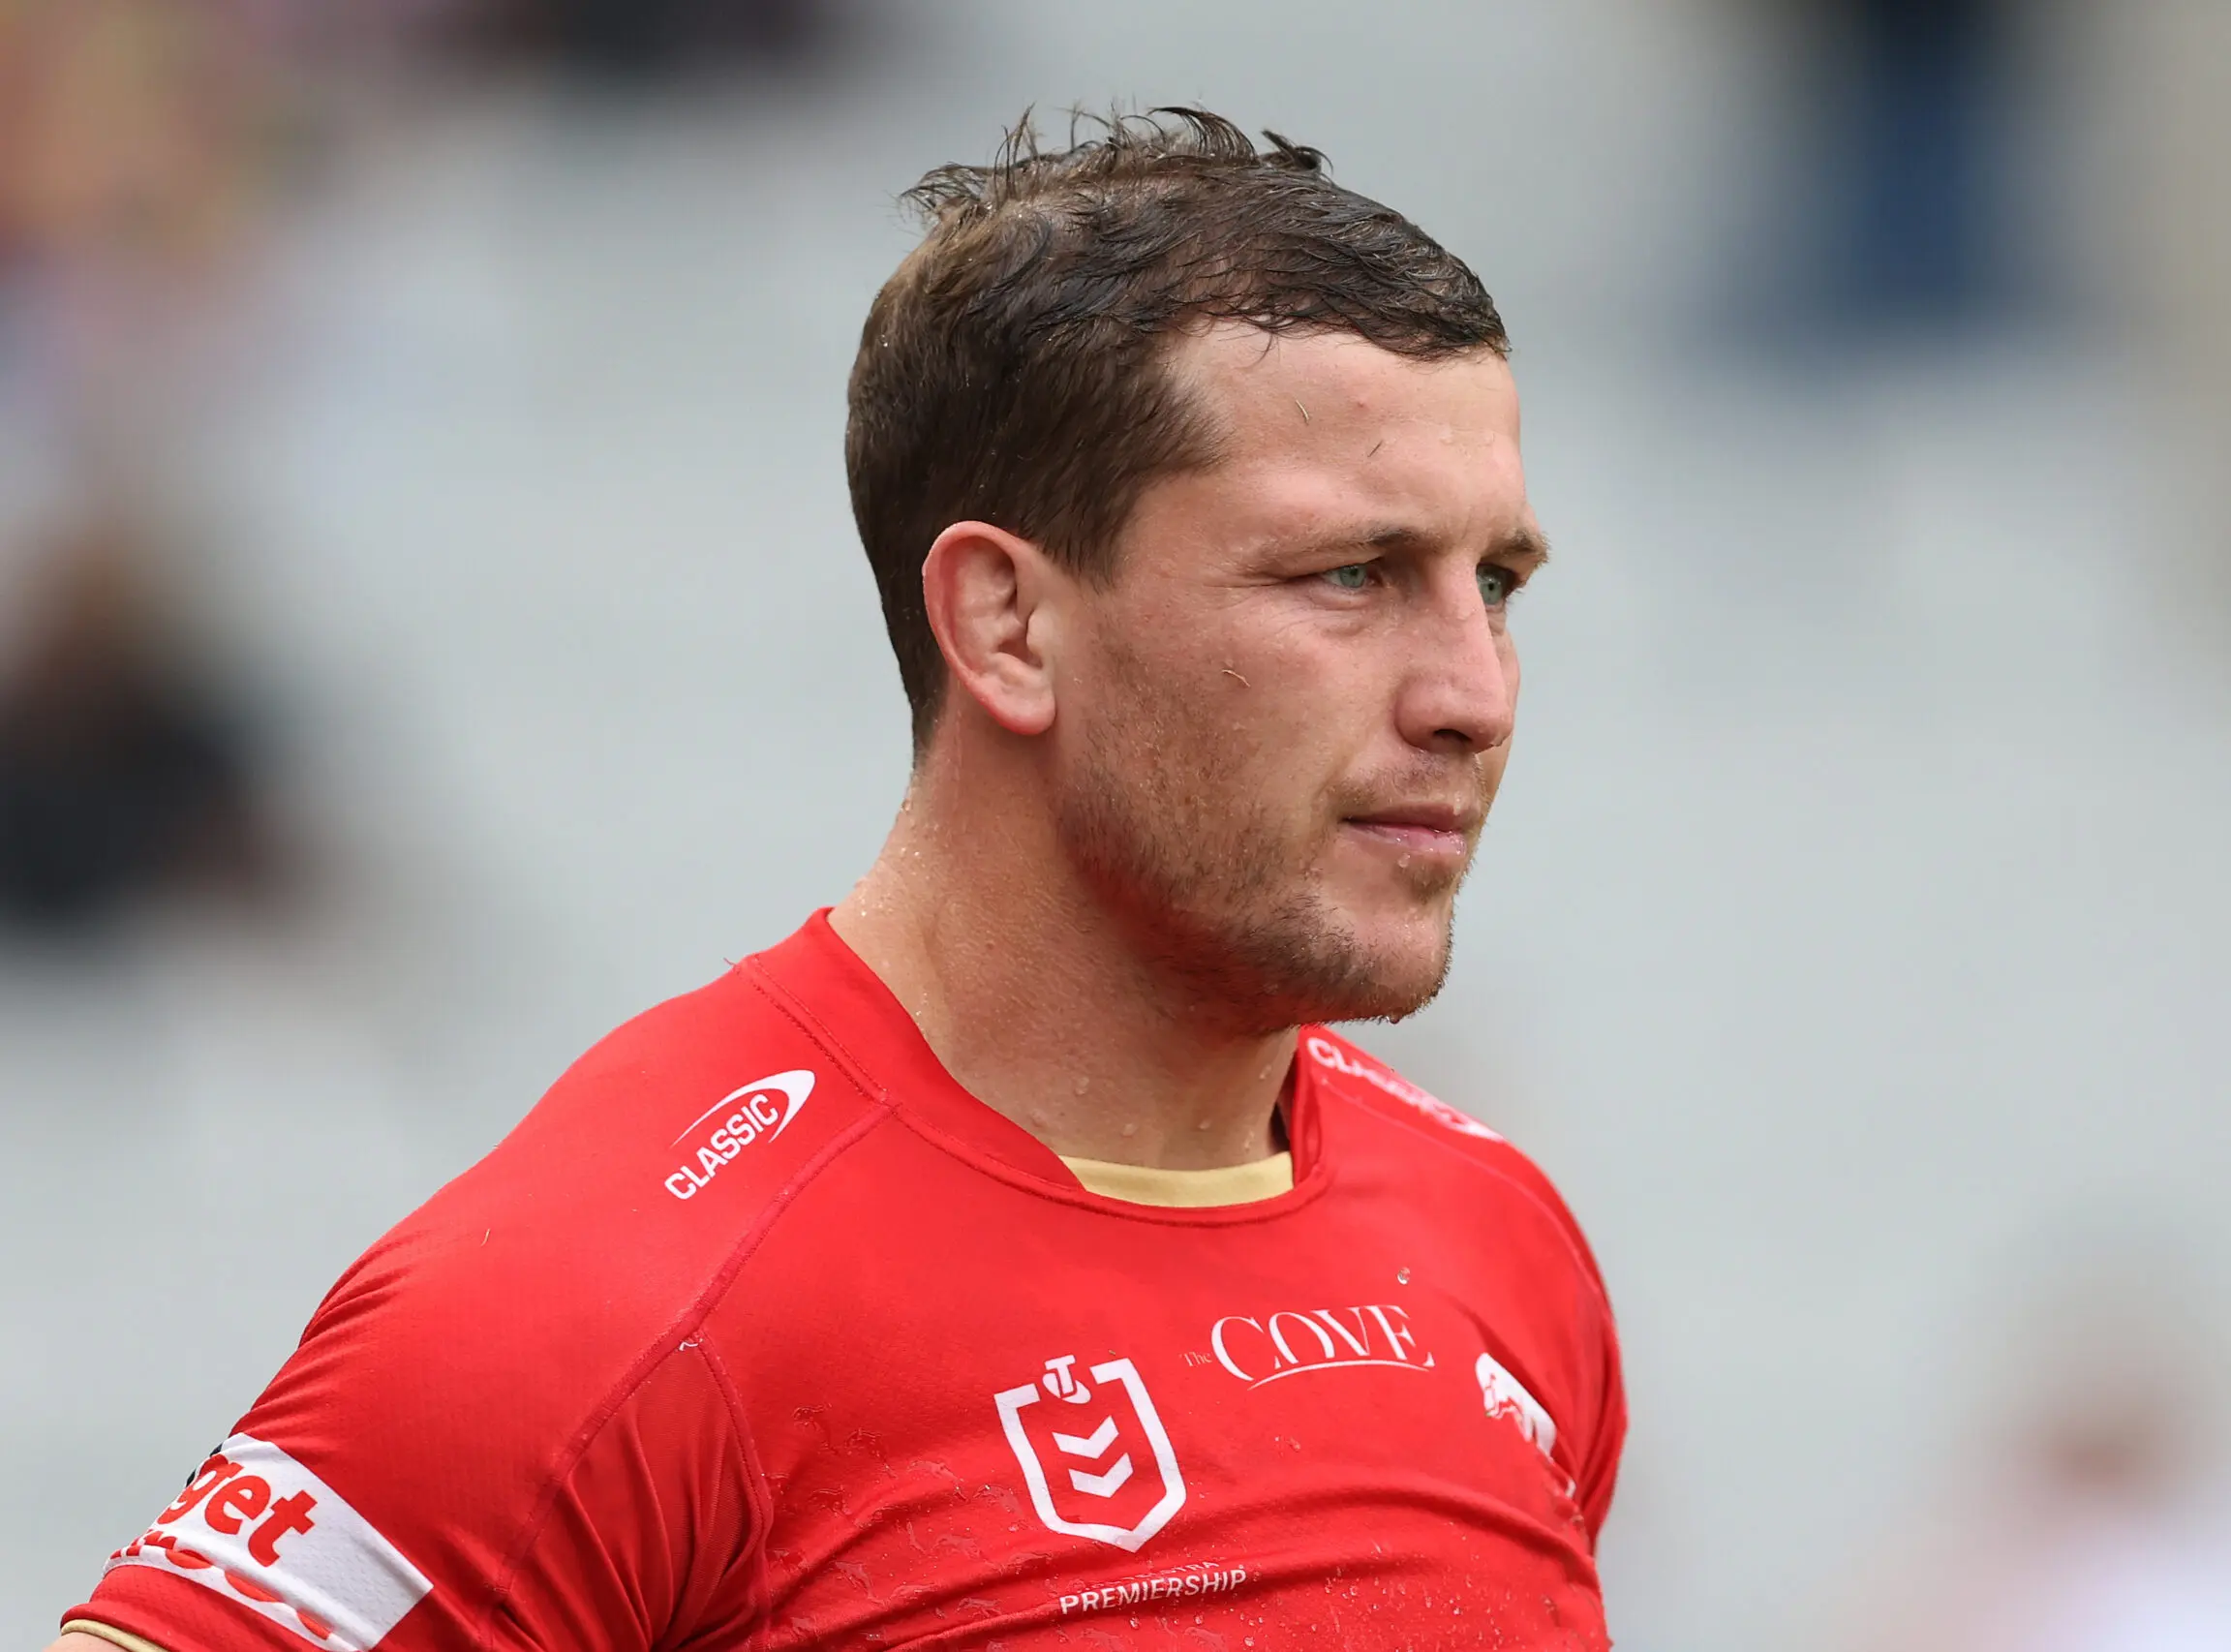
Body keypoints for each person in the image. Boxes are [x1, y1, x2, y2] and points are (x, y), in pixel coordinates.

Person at [50, 107, 1625, 1652]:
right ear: (1007, 623)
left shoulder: (1498, 1237)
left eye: (1494, 582)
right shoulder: (614, 1298)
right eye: (1350, 573)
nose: (1474, 692)